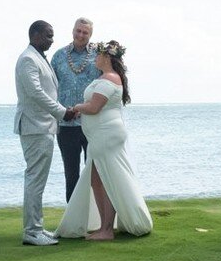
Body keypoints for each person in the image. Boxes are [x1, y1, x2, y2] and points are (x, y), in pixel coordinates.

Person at [54, 41, 152, 240]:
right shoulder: (105, 77)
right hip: (100, 135)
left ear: (106, 58)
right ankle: (104, 225)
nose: (95, 58)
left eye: (98, 56)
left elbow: (94, 108)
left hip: (106, 135)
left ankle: (106, 229)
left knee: (105, 178)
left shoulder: (109, 78)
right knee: (98, 179)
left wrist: (76, 108)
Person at [13, 20, 76, 246]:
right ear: (35, 34)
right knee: (35, 179)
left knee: (37, 179)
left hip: (43, 126)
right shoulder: (28, 59)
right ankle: (31, 232)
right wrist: (62, 112)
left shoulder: (38, 58)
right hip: (34, 127)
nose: (52, 40)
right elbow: (35, 93)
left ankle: (36, 227)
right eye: (48, 36)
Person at [50, 17, 101, 200]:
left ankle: (95, 218)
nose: (81, 35)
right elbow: (50, 87)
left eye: (85, 32)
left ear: (90, 34)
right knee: (71, 174)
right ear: (72, 31)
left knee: (95, 173)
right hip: (66, 124)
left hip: (93, 123)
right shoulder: (59, 56)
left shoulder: (99, 55)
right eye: (78, 31)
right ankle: (73, 221)